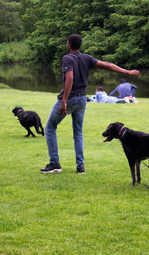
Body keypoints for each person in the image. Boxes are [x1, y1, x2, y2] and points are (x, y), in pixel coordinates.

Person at [40, 34, 140, 174]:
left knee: (50, 127)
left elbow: (70, 78)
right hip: (82, 99)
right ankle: (80, 167)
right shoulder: (86, 58)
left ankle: (54, 163)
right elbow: (107, 65)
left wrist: (64, 101)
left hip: (70, 98)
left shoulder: (67, 58)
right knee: (78, 132)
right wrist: (127, 71)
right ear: (79, 45)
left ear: (68, 44)